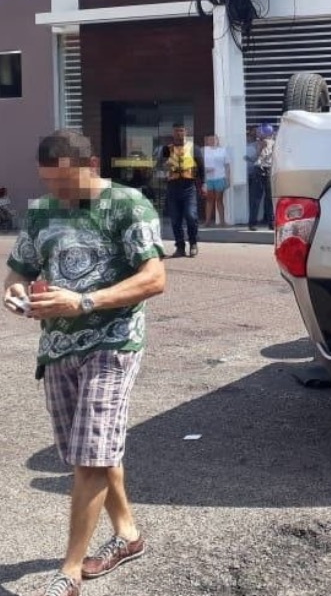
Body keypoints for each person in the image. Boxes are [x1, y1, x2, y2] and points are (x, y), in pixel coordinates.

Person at [3, 130, 166, 596]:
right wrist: (15, 292)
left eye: (65, 182)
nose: (57, 191)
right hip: (58, 349)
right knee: (90, 450)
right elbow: (19, 269)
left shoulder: (128, 206)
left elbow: (154, 277)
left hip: (113, 344)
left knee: (91, 456)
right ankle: (128, 535)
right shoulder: (42, 212)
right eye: (49, 182)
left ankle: (69, 571)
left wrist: (85, 302)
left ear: (91, 165)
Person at [157, 123, 205, 257]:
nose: (179, 133)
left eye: (181, 131)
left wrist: (204, 184)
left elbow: (201, 167)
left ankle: (193, 243)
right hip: (173, 187)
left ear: (186, 132)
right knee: (175, 220)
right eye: (176, 131)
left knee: (191, 216)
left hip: (189, 187)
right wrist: (164, 170)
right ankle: (180, 247)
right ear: (173, 133)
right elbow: (159, 167)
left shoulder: (194, 148)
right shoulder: (167, 149)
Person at [248, 123, 275, 231]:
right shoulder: (263, 142)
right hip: (265, 169)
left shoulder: (270, 142)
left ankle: (255, 223)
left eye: (260, 131)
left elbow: (259, 156)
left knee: (259, 198)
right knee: (266, 198)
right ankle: (269, 222)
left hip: (263, 169)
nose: (258, 133)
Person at [203, 134, 231, 227]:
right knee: (209, 199)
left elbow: (227, 165)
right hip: (208, 179)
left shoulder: (223, 150)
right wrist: (205, 170)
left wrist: (228, 179)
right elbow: (200, 164)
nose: (212, 141)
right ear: (207, 141)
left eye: (214, 139)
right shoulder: (205, 150)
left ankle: (222, 222)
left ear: (217, 140)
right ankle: (207, 222)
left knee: (219, 199)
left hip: (220, 177)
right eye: (210, 139)